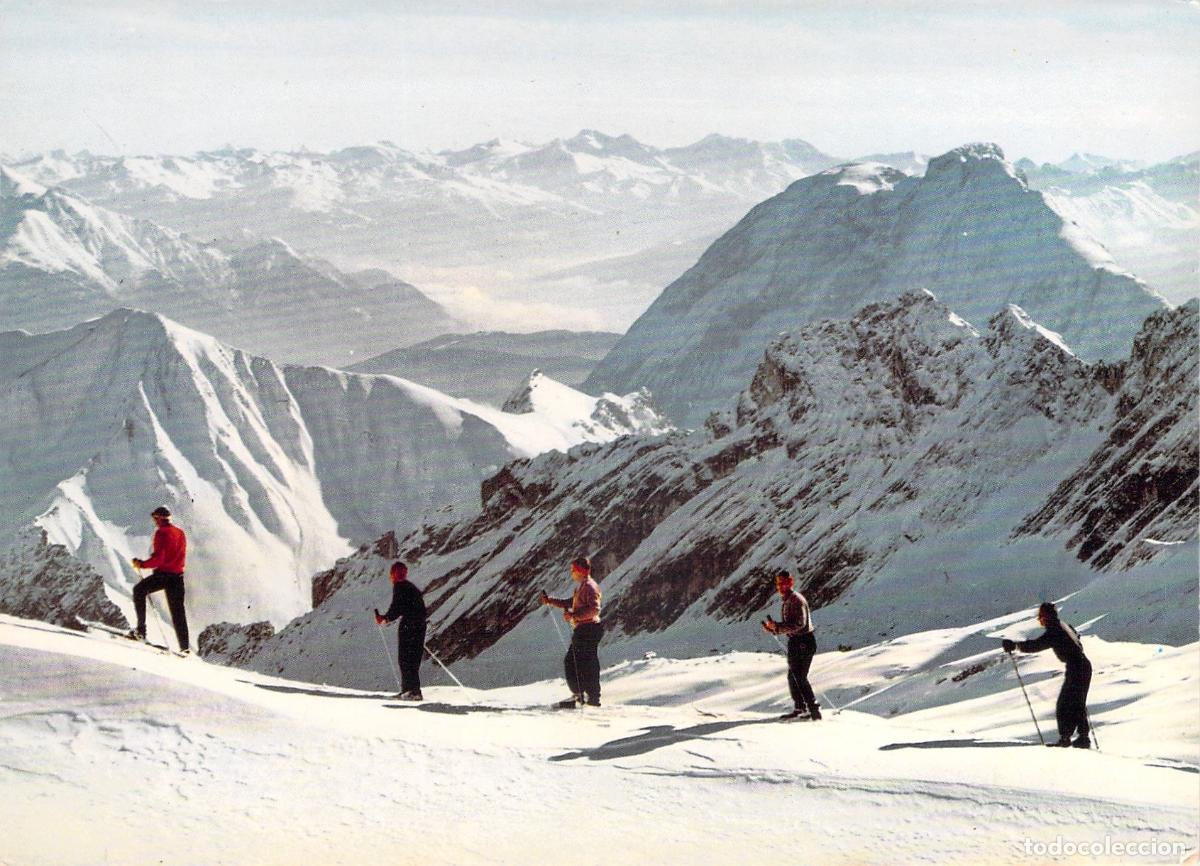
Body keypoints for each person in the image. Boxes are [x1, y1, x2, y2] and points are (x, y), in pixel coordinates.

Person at [1003, 601, 1093, 748]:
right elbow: (1077, 640)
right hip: (1083, 665)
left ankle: (1066, 738)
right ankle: (1082, 737)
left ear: (1045, 616)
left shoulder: (1055, 629)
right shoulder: (1063, 626)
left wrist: (1015, 645)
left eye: (1040, 617)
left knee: (1065, 704)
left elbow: (1037, 645)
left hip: (1076, 667)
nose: (1040, 620)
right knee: (1077, 702)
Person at [540, 556, 603, 708]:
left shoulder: (589, 587)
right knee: (583, 662)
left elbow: (594, 609)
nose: (571, 572)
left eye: (573, 569)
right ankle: (587, 696)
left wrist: (574, 616)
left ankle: (584, 696)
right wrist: (551, 601)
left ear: (579, 571)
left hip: (588, 629)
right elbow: (572, 603)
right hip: (587, 629)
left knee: (576, 662)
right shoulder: (584, 586)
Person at [129, 506, 190, 654]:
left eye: (155, 519)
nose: (154, 522)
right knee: (178, 612)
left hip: (163, 575)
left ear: (159, 518)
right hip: (177, 577)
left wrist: (142, 564)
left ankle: (141, 631)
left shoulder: (161, 533)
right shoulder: (180, 533)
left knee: (139, 591)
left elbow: (159, 558)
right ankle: (185, 648)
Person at [762, 569, 821, 721]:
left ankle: (813, 710)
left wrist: (778, 627)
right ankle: (801, 708)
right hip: (798, 642)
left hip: (803, 642)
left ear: (791, 582)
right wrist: (774, 628)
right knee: (794, 676)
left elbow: (799, 624)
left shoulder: (796, 600)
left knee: (799, 677)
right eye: (779, 583)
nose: (781, 586)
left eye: (784, 583)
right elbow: (791, 625)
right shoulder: (790, 600)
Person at [375, 561, 427, 701]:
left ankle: (409, 691)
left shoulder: (400, 586)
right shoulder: (411, 587)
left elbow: (397, 608)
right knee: (413, 659)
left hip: (409, 625)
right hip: (420, 625)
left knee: (405, 658)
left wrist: (385, 619)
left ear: (393, 574)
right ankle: (414, 691)